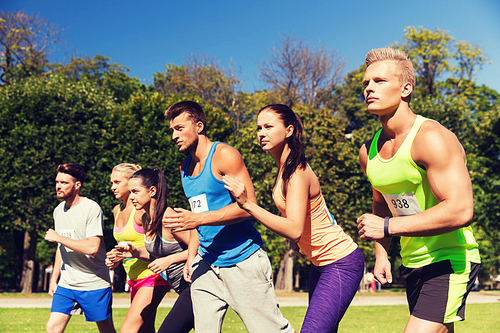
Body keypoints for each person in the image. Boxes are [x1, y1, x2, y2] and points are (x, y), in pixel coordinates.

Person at [356, 47, 481, 333]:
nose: (369, 89)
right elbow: (382, 201)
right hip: (412, 263)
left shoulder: (432, 138)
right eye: (365, 83)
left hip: (450, 258)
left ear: (406, 88)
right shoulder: (368, 151)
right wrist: (382, 254)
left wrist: (387, 227)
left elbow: (461, 209)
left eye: (379, 81)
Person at [222, 104, 364, 332]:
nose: (261, 133)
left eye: (269, 126)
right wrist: (295, 243)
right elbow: (293, 217)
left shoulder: (297, 171)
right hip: (319, 264)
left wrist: (247, 204)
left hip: (340, 263)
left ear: (288, 131)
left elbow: (294, 228)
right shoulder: (283, 170)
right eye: (258, 128)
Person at [162, 101, 295, 333]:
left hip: (242, 260)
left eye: (180, 128)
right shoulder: (185, 168)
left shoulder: (224, 155)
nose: (174, 135)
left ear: (199, 126)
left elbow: (248, 206)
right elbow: (196, 217)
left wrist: (198, 220)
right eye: (172, 130)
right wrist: (192, 257)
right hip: (205, 263)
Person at [115, 168, 194, 333]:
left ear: (152, 191)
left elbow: (201, 247)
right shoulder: (146, 218)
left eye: (135, 191)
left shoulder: (168, 218)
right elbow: (155, 254)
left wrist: (170, 260)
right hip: (182, 287)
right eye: (130, 192)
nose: (131, 197)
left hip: (196, 286)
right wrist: (134, 252)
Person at [45, 163, 116, 333]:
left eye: (64, 182)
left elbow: (92, 247)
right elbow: (61, 247)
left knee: (106, 330)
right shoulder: (58, 211)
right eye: (57, 182)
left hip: (94, 283)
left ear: (77, 185)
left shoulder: (91, 208)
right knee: (52, 327)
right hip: (67, 283)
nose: (58, 186)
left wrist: (59, 237)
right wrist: (54, 278)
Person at [105, 163, 170, 333]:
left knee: (128, 330)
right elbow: (126, 245)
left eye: (117, 182)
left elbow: (157, 250)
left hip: (152, 276)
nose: (113, 187)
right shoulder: (116, 211)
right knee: (145, 330)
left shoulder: (142, 212)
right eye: (112, 182)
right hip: (133, 279)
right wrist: (116, 257)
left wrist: (127, 254)